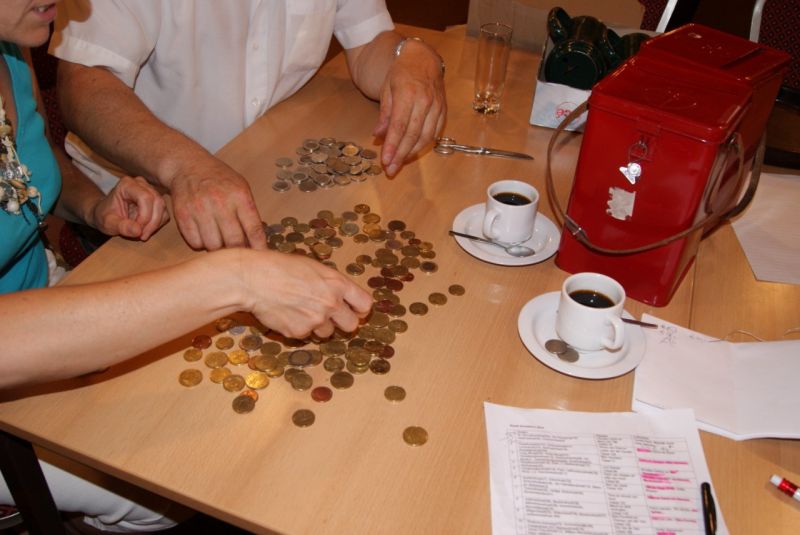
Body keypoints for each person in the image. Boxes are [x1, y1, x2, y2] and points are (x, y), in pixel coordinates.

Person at [0, 1, 372, 531]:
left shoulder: (12, 42)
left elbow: (28, 166)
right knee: (162, 488)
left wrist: (92, 206)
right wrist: (234, 279)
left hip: (45, 290)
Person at [50, 0, 448, 251]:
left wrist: (410, 56)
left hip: (265, 181)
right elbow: (84, 85)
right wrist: (186, 167)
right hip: (140, 209)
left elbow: (368, 46)